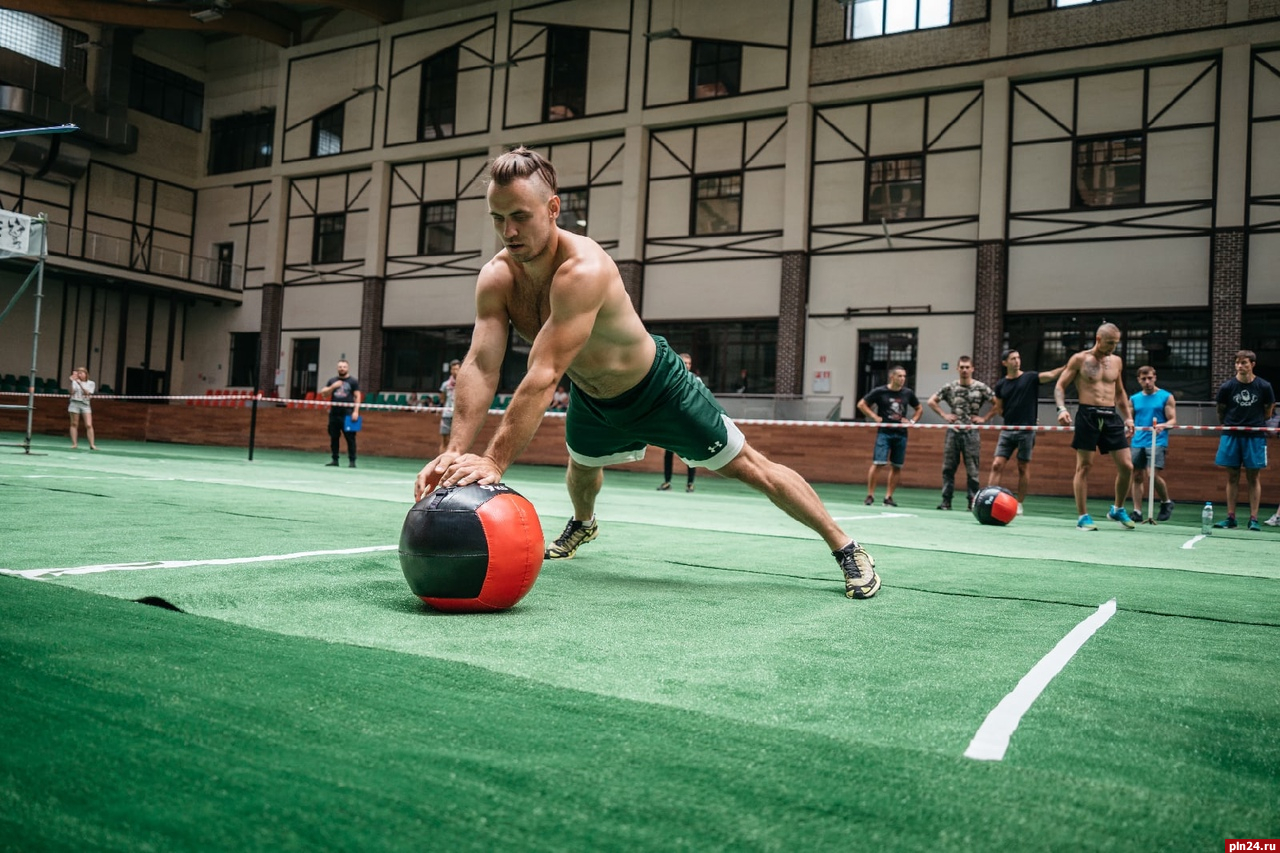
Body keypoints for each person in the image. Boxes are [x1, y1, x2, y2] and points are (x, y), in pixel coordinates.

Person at [413, 147, 880, 599]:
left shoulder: (583, 269)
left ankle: (846, 547)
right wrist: (453, 455)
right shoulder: (497, 277)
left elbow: (544, 372)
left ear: (553, 208)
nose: (508, 231)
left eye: (520, 216)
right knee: (580, 470)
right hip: (594, 398)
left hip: (658, 389)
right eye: (498, 219)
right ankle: (584, 524)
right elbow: (480, 364)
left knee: (751, 469)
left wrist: (492, 462)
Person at [1054, 323, 1136, 531]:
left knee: (1127, 466)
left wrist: (1128, 418)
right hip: (1088, 415)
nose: (1112, 348)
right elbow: (1059, 386)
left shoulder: (1117, 361)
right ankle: (1083, 516)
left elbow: (1120, 392)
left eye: (1115, 344)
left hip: (1111, 416)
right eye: (1110, 343)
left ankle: (1117, 509)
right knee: (1084, 466)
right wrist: (1061, 409)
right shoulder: (1079, 359)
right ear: (1098, 339)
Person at [988, 349, 1065, 515]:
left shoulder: (1030, 378)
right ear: (1005, 363)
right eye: (1012, 358)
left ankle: (1019, 503)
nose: (1016, 361)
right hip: (1007, 430)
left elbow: (1051, 375)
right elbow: (999, 409)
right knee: (997, 464)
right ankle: (989, 498)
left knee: (1023, 467)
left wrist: (1069, 366)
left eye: (1018, 357)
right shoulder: (1001, 384)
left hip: (1027, 431)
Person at [1212, 350, 1275, 531]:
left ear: (1252, 364)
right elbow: (1220, 410)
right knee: (1232, 475)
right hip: (1231, 435)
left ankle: (1253, 518)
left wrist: (1257, 422)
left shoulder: (1264, 386)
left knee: (1253, 476)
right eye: (1238, 363)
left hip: (1255, 436)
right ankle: (1231, 517)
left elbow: (1268, 408)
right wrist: (1228, 424)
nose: (1240, 366)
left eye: (1244, 363)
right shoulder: (1227, 387)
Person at [926, 356, 993, 511]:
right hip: (954, 432)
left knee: (973, 471)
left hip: (971, 433)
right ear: (957, 369)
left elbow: (997, 403)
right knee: (948, 468)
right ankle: (946, 501)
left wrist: (985, 418)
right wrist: (944, 415)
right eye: (961, 367)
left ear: (972, 368)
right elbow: (931, 401)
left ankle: (973, 502)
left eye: (967, 367)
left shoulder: (980, 387)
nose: (964, 370)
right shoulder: (951, 387)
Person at [856, 366, 922, 507]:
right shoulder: (880, 391)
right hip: (884, 432)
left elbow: (919, 408)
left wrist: (912, 421)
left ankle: (888, 497)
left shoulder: (908, 393)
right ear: (892, 377)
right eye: (899, 376)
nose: (902, 379)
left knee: (896, 466)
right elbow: (862, 404)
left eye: (904, 376)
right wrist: (874, 416)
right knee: (878, 463)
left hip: (901, 433)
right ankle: (870, 495)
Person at [1127, 365, 1177, 523]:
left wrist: (1164, 425)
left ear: (1155, 377)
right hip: (1138, 440)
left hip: (1157, 440)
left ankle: (1166, 502)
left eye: (1150, 378)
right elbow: (1130, 419)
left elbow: (1173, 420)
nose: (1147, 381)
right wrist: (1128, 428)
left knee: (1152, 475)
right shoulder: (1134, 399)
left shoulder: (1166, 396)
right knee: (1136, 475)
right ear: (1139, 380)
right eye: (1143, 379)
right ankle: (1137, 511)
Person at [658, 353, 700, 493]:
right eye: (685, 362)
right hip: (672, 422)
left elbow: (700, 400)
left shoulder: (696, 380)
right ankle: (667, 482)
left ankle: (690, 483)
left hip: (688, 423)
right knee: (668, 453)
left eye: (689, 363)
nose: (687, 365)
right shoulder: (670, 378)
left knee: (690, 454)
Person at [319, 359, 361, 468]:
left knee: (350, 438)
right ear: (337, 368)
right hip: (334, 413)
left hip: (348, 414)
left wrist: (356, 411)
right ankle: (335, 459)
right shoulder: (332, 380)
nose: (342, 368)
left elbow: (357, 396)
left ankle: (352, 461)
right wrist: (333, 386)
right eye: (340, 367)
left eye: (344, 367)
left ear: (348, 368)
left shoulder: (353, 381)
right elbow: (323, 394)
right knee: (334, 437)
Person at [67, 367, 97, 450]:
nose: (80, 374)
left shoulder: (91, 383)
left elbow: (87, 393)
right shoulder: (75, 382)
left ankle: (92, 445)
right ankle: (74, 444)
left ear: (86, 374)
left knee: (89, 424)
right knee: (74, 424)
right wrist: (73, 381)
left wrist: (80, 384)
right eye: (78, 373)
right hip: (74, 403)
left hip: (85, 404)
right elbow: (71, 392)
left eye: (81, 373)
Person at [439, 359, 461, 453]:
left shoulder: (464, 384)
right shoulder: (445, 385)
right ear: (450, 370)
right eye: (453, 369)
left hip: (459, 416)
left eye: (457, 369)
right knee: (445, 440)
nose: (455, 371)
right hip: (447, 415)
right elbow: (442, 398)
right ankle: (441, 462)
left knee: (458, 442)